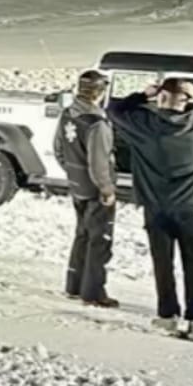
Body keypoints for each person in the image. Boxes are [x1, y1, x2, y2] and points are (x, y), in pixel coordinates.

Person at [107, 78, 193, 336]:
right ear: (186, 100)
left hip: (156, 206)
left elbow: (113, 110)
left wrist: (143, 95)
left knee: (162, 263)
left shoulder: (143, 126)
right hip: (192, 207)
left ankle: (168, 315)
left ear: (161, 98)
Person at [54, 69, 119, 308]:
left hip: (77, 184)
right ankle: (92, 292)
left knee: (81, 234)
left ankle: (74, 283)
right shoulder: (96, 123)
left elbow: (59, 148)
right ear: (100, 92)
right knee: (99, 239)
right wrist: (106, 189)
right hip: (94, 189)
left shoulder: (68, 115)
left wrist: (73, 173)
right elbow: (99, 161)